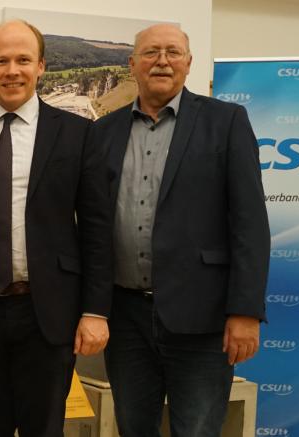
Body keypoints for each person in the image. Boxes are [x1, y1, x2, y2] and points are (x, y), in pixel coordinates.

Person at [88, 23, 269, 436]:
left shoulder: (226, 122)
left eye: (173, 52)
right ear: (132, 64)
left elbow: (250, 224)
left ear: (189, 63)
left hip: (202, 317)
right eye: (151, 53)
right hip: (126, 315)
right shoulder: (102, 133)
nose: (162, 61)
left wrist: (245, 312)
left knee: (198, 429)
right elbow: (94, 228)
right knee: (133, 427)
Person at [0, 20, 113, 437]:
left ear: (41, 66)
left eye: (23, 60)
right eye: (1, 61)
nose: (11, 70)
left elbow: (96, 228)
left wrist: (95, 311)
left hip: (48, 314)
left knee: (44, 429)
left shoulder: (77, 134)